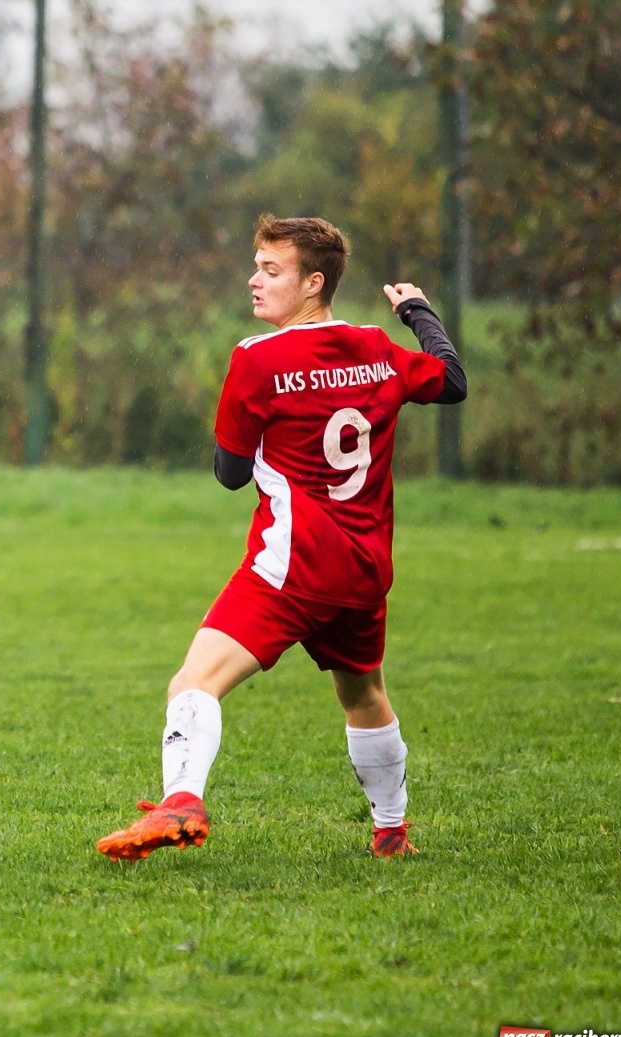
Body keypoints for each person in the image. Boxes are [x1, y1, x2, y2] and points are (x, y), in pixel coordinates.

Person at [96, 214, 466, 863]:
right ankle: (390, 831)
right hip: (363, 569)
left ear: (313, 282)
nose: (254, 280)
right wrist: (418, 311)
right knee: (363, 694)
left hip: (291, 565)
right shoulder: (377, 348)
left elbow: (231, 474)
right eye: (257, 267)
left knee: (193, 681)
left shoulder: (257, 358)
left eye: (271, 270)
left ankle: (182, 800)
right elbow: (452, 381)